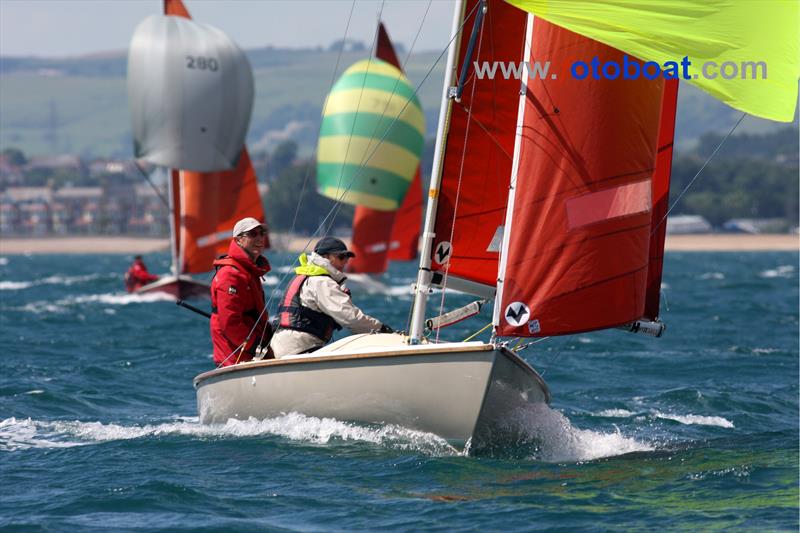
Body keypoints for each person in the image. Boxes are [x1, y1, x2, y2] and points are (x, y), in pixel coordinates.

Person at [270, 236, 393, 358]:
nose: (345, 261)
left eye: (347, 258)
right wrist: (380, 329)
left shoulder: (307, 276)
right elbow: (350, 317)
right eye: (341, 257)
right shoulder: (322, 282)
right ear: (325, 257)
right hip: (299, 349)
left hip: (286, 347)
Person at [210, 217, 272, 367]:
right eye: (252, 234)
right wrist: (255, 347)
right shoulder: (230, 275)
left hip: (250, 355)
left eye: (261, 233)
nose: (259, 238)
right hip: (236, 360)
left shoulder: (249, 272)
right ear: (238, 240)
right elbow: (230, 323)